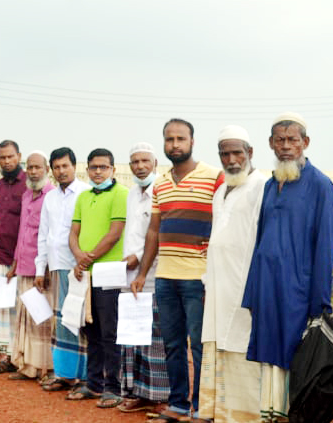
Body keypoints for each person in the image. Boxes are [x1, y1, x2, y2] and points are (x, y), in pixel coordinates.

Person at [241, 112, 333, 421]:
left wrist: (318, 302)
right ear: (271, 143)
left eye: (292, 140)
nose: (285, 146)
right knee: (270, 352)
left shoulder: (321, 185)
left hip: (298, 289)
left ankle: (293, 414)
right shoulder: (272, 184)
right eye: (279, 140)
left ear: (304, 143)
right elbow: (260, 241)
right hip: (267, 287)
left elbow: (324, 247)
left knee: (295, 354)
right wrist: (252, 292)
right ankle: (272, 413)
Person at [132, 118, 224, 422]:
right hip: (165, 278)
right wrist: (144, 273)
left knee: (198, 347)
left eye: (180, 139)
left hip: (198, 279)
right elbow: (153, 232)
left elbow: (225, 222)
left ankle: (201, 407)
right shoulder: (160, 184)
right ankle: (179, 405)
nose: (175, 144)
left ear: (192, 142)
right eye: (169, 139)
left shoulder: (214, 177)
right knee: (171, 345)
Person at [196, 125, 267, 423]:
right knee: (219, 345)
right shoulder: (221, 190)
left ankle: (247, 416)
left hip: (246, 286)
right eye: (224, 153)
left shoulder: (263, 186)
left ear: (250, 153)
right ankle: (221, 414)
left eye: (237, 152)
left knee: (242, 346)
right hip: (218, 287)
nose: (231, 159)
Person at [66, 148, 128, 409]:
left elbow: (115, 234)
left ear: (113, 169)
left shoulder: (121, 194)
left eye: (104, 167)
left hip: (110, 273)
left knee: (110, 331)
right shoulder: (82, 196)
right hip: (86, 274)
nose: (98, 172)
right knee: (90, 330)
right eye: (94, 167)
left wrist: (86, 259)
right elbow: (73, 232)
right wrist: (79, 257)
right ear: (87, 170)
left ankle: (113, 388)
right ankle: (93, 384)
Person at [119, 143, 169, 413]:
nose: (139, 166)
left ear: (155, 163)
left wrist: (139, 258)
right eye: (135, 162)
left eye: (144, 161)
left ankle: (160, 396)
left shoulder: (161, 191)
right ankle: (137, 392)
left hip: (154, 270)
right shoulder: (131, 194)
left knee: (155, 335)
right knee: (132, 334)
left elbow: (158, 233)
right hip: (131, 274)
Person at [37, 147, 91, 392]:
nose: (61, 171)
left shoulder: (86, 192)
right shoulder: (50, 197)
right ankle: (65, 374)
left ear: (74, 166)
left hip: (78, 268)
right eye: (56, 167)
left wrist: (83, 261)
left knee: (80, 320)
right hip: (57, 267)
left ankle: (86, 377)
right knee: (61, 321)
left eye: (65, 166)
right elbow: (43, 235)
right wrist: (41, 268)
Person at [8, 151, 55, 381]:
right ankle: (27, 365)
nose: (33, 171)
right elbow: (22, 232)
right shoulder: (26, 195)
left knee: (43, 319)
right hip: (23, 266)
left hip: (41, 268)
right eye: (30, 167)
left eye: (38, 167)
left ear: (47, 169)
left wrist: (44, 267)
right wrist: (15, 263)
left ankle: (46, 368)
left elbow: (50, 236)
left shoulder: (51, 195)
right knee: (25, 317)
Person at [0, 140, 27, 374]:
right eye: (2, 158)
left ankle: (22, 358)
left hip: (21, 260)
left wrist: (18, 258)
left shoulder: (28, 184)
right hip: (1, 256)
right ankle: (8, 356)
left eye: (10, 157)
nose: (6, 161)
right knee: (4, 310)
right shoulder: (0, 185)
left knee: (22, 311)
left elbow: (27, 224)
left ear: (19, 156)